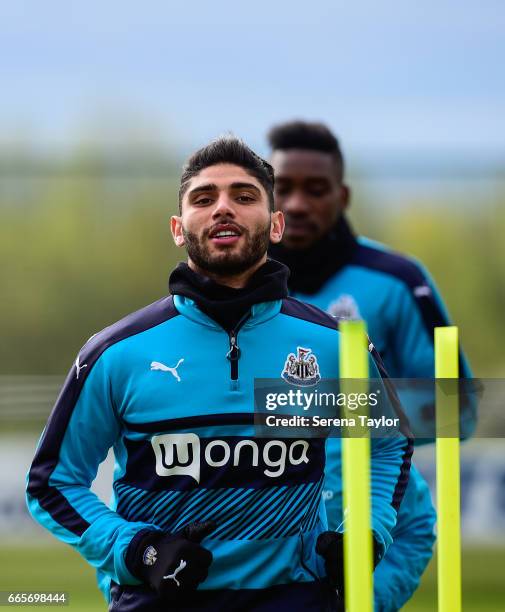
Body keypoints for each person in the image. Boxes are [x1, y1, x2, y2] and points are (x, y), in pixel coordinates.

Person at [26, 136, 412, 612]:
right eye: (204, 199)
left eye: (244, 196)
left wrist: (364, 533)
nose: (223, 209)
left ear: (275, 225)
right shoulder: (115, 353)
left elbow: (387, 447)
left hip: (298, 600)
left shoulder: (338, 347)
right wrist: (139, 550)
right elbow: (52, 484)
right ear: (178, 227)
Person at [267, 120, 473, 611]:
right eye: (282, 189)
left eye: (315, 190)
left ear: (343, 195)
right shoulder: (231, 286)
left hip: (367, 521)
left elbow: (456, 408)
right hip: (260, 517)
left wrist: (333, 422)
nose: (296, 204)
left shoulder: (397, 280)